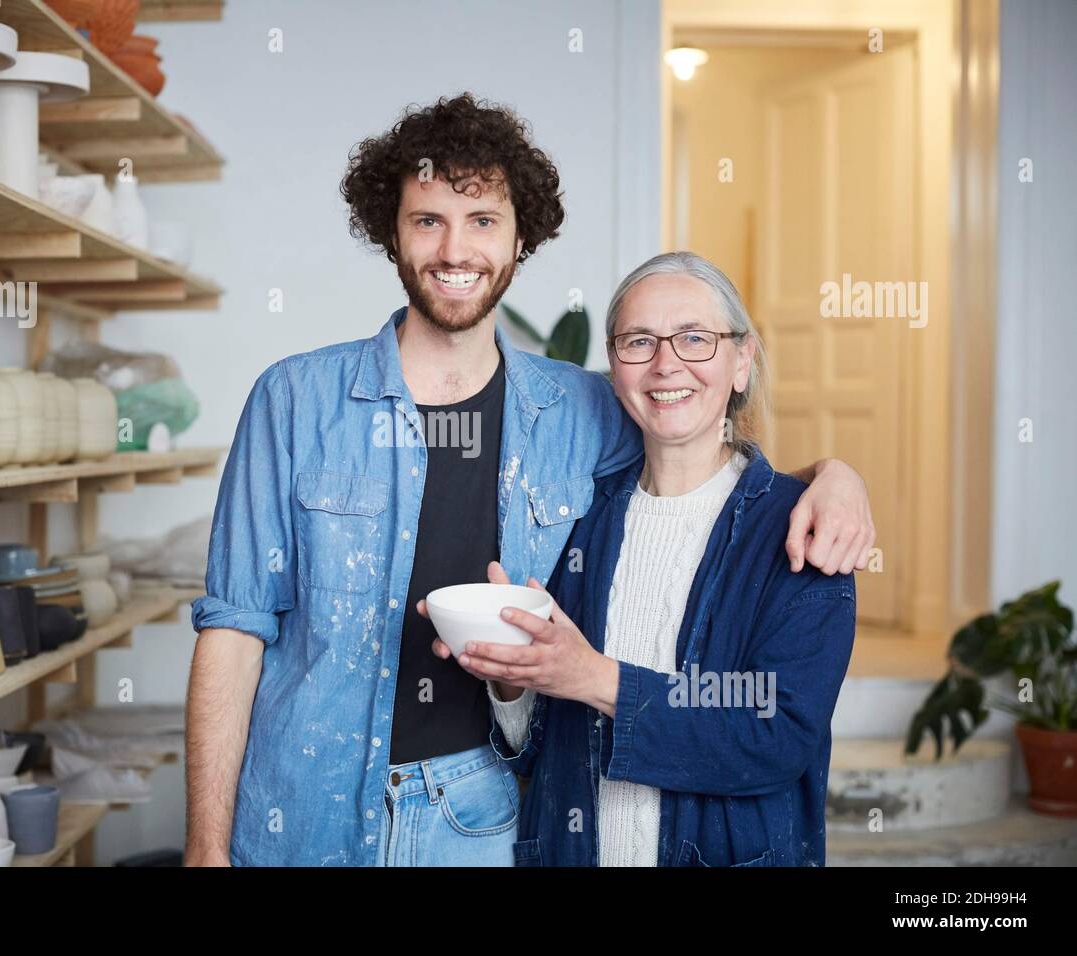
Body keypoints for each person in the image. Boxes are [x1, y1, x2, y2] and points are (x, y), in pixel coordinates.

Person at [184, 96, 873, 867]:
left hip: (479, 817)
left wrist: (830, 476)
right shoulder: (293, 401)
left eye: (482, 220)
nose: (456, 248)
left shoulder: (581, 408)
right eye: (427, 219)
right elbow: (233, 630)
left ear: (520, 239)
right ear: (392, 231)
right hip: (301, 808)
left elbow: (699, 447)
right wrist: (204, 850)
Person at [439, 252, 857, 866]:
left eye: (695, 338)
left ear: (742, 362)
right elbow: (539, 752)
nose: (667, 364)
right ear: (614, 369)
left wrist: (595, 679)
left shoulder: (805, 529)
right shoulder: (580, 517)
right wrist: (509, 673)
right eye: (639, 342)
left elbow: (775, 734)